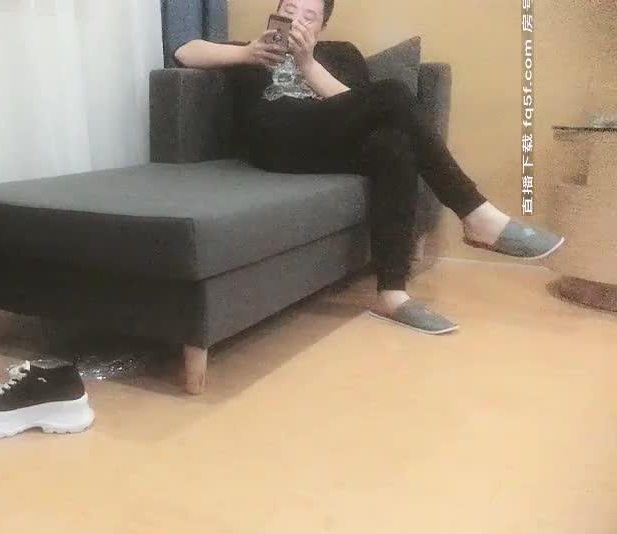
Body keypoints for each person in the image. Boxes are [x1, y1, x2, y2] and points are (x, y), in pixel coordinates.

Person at [173, 0, 564, 335]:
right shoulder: (248, 50)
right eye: (289, 10)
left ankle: (391, 294)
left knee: (393, 145)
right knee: (393, 93)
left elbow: (360, 108)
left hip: (325, 144)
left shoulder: (341, 54)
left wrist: (307, 64)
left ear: (322, 26)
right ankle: (476, 213)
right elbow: (185, 52)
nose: (296, 20)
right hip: (276, 142)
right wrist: (246, 54)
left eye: (309, 16)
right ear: (274, 15)